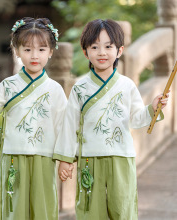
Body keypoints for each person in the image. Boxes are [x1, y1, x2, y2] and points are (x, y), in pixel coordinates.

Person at [53, 19, 169, 220]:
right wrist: (65, 159)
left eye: (108, 46)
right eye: (95, 47)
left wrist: (152, 108)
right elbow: (69, 124)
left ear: (120, 50)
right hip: (89, 159)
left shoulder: (127, 85)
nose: (102, 52)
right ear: (85, 51)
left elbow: (136, 119)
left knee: (122, 209)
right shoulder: (80, 88)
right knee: (90, 211)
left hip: (121, 159)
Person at [0, 17, 67, 220]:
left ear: (51, 52)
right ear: (16, 51)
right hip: (13, 156)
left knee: (43, 208)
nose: (34, 55)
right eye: (27, 49)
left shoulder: (55, 89)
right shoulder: (8, 85)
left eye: (41, 50)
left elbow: (64, 127)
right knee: (13, 209)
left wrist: (66, 159)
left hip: (44, 157)